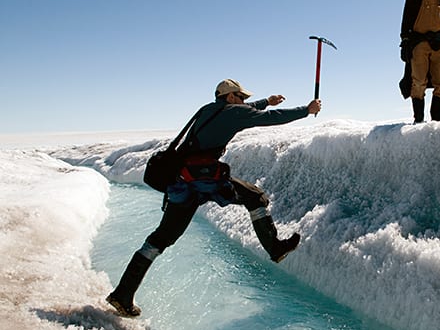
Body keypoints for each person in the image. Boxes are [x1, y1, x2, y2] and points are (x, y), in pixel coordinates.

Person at [107, 79, 322, 317]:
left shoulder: (209, 109)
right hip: (204, 180)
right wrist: (306, 110)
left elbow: (247, 112)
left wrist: (266, 101)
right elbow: (271, 118)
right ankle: (275, 248)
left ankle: (122, 294)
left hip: (181, 182)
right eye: (241, 97)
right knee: (256, 197)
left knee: (161, 238)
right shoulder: (233, 111)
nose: (244, 102)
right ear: (231, 98)